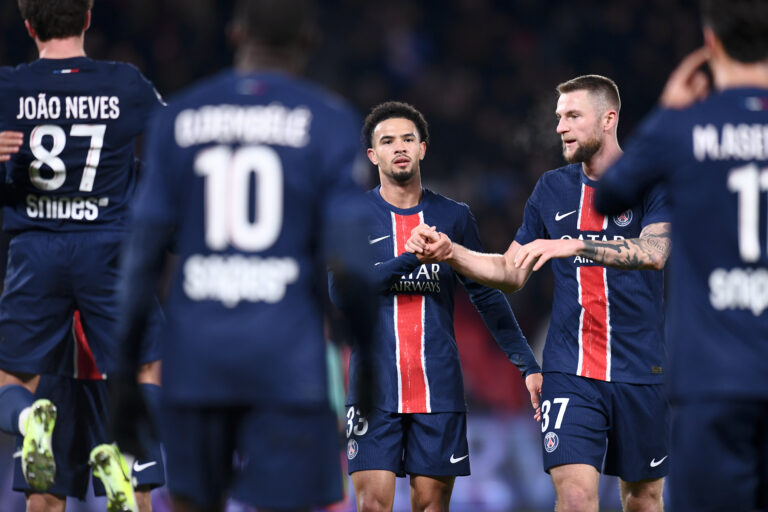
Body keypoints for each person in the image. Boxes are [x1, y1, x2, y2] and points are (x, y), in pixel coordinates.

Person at [112, 0, 376, 511]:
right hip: (287, 364)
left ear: (235, 34)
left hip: (195, 362)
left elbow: (140, 256)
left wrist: (124, 372)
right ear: (308, 43)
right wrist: (367, 365)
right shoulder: (328, 121)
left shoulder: (180, 119)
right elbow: (352, 263)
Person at [408, 76, 671, 512]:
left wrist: (574, 244)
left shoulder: (650, 182)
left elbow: (655, 252)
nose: (560, 127)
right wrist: (452, 252)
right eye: (558, 117)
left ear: (609, 119)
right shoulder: (551, 189)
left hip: (640, 366)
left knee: (644, 499)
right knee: (574, 496)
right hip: (570, 370)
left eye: (572, 116)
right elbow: (511, 272)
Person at [594, 1, 768, 509]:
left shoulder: (684, 127)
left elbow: (610, 195)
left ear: (710, 43)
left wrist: (670, 112)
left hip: (711, 379)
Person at [334, 100, 542, 512]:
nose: (399, 147)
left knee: (431, 505)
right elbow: (341, 294)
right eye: (388, 140)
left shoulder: (453, 217)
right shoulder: (353, 216)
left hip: (439, 389)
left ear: (422, 149)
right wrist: (412, 258)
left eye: (408, 139)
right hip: (375, 389)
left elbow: (487, 295)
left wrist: (527, 365)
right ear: (373, 155)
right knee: (373, 503)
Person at [0, 0, 164, 509]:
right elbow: (177, 139)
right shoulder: (124, 83)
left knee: (12, 382)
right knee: (146, 370)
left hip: (35, 252)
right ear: (89, 19)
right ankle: (128, 458)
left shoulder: (8, 87)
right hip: (107, 252)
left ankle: (28, 421)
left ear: (28, 25)